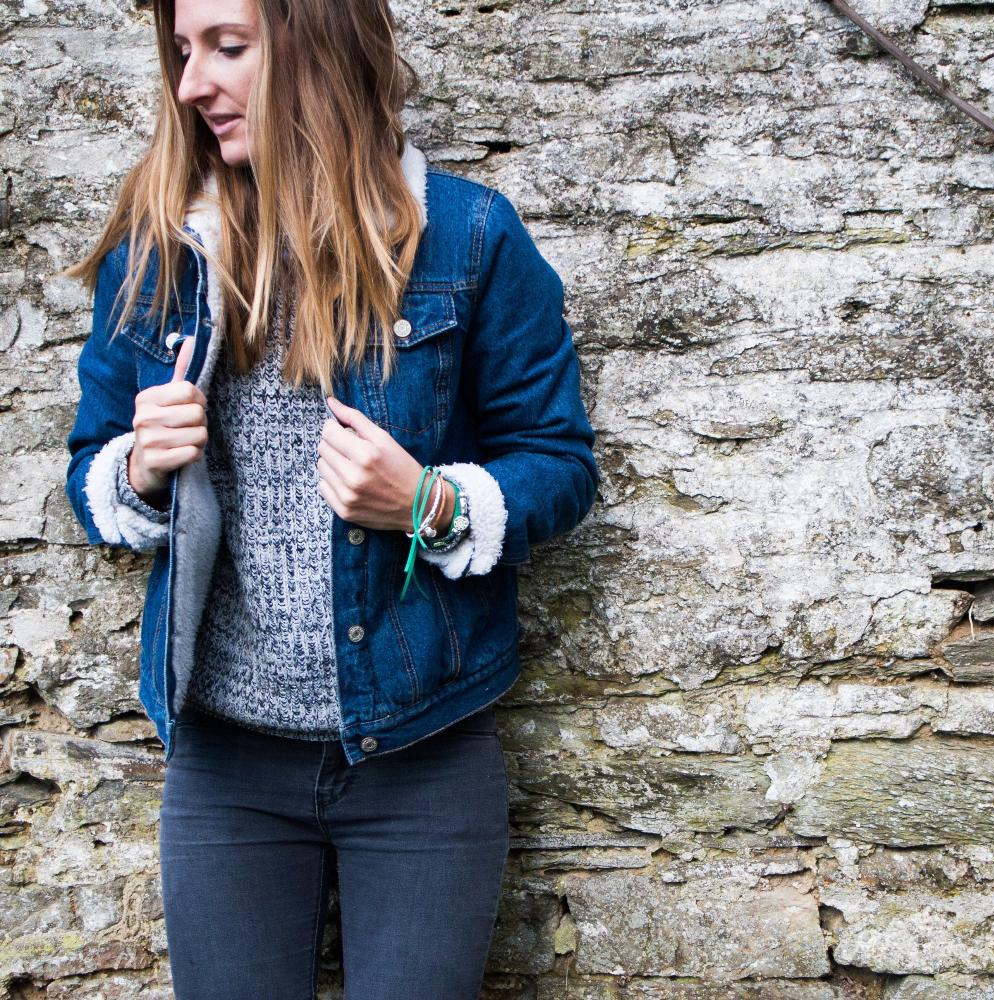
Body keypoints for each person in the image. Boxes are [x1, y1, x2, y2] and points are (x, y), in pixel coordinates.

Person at [62, 0, 599, 997]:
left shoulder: (468, 239)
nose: (192, 84)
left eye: (227, 48)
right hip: (227, 770)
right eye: (183, 52)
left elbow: (559, 462)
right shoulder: (161, 252)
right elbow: (90, 470)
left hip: (424, 759)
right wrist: (135, 469)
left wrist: (432, 502)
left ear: (317, 46)